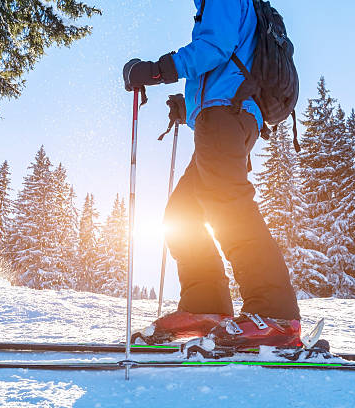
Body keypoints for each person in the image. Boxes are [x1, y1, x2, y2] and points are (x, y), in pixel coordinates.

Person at [123, 0, 301, 349]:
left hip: (226, 116)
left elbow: (213, 48)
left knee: (228, 206)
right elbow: (230, 64)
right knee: (182, 213)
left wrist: (157, 70)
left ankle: (275, 313)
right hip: (223, 115)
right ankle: (206, 307)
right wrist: (188, 107)